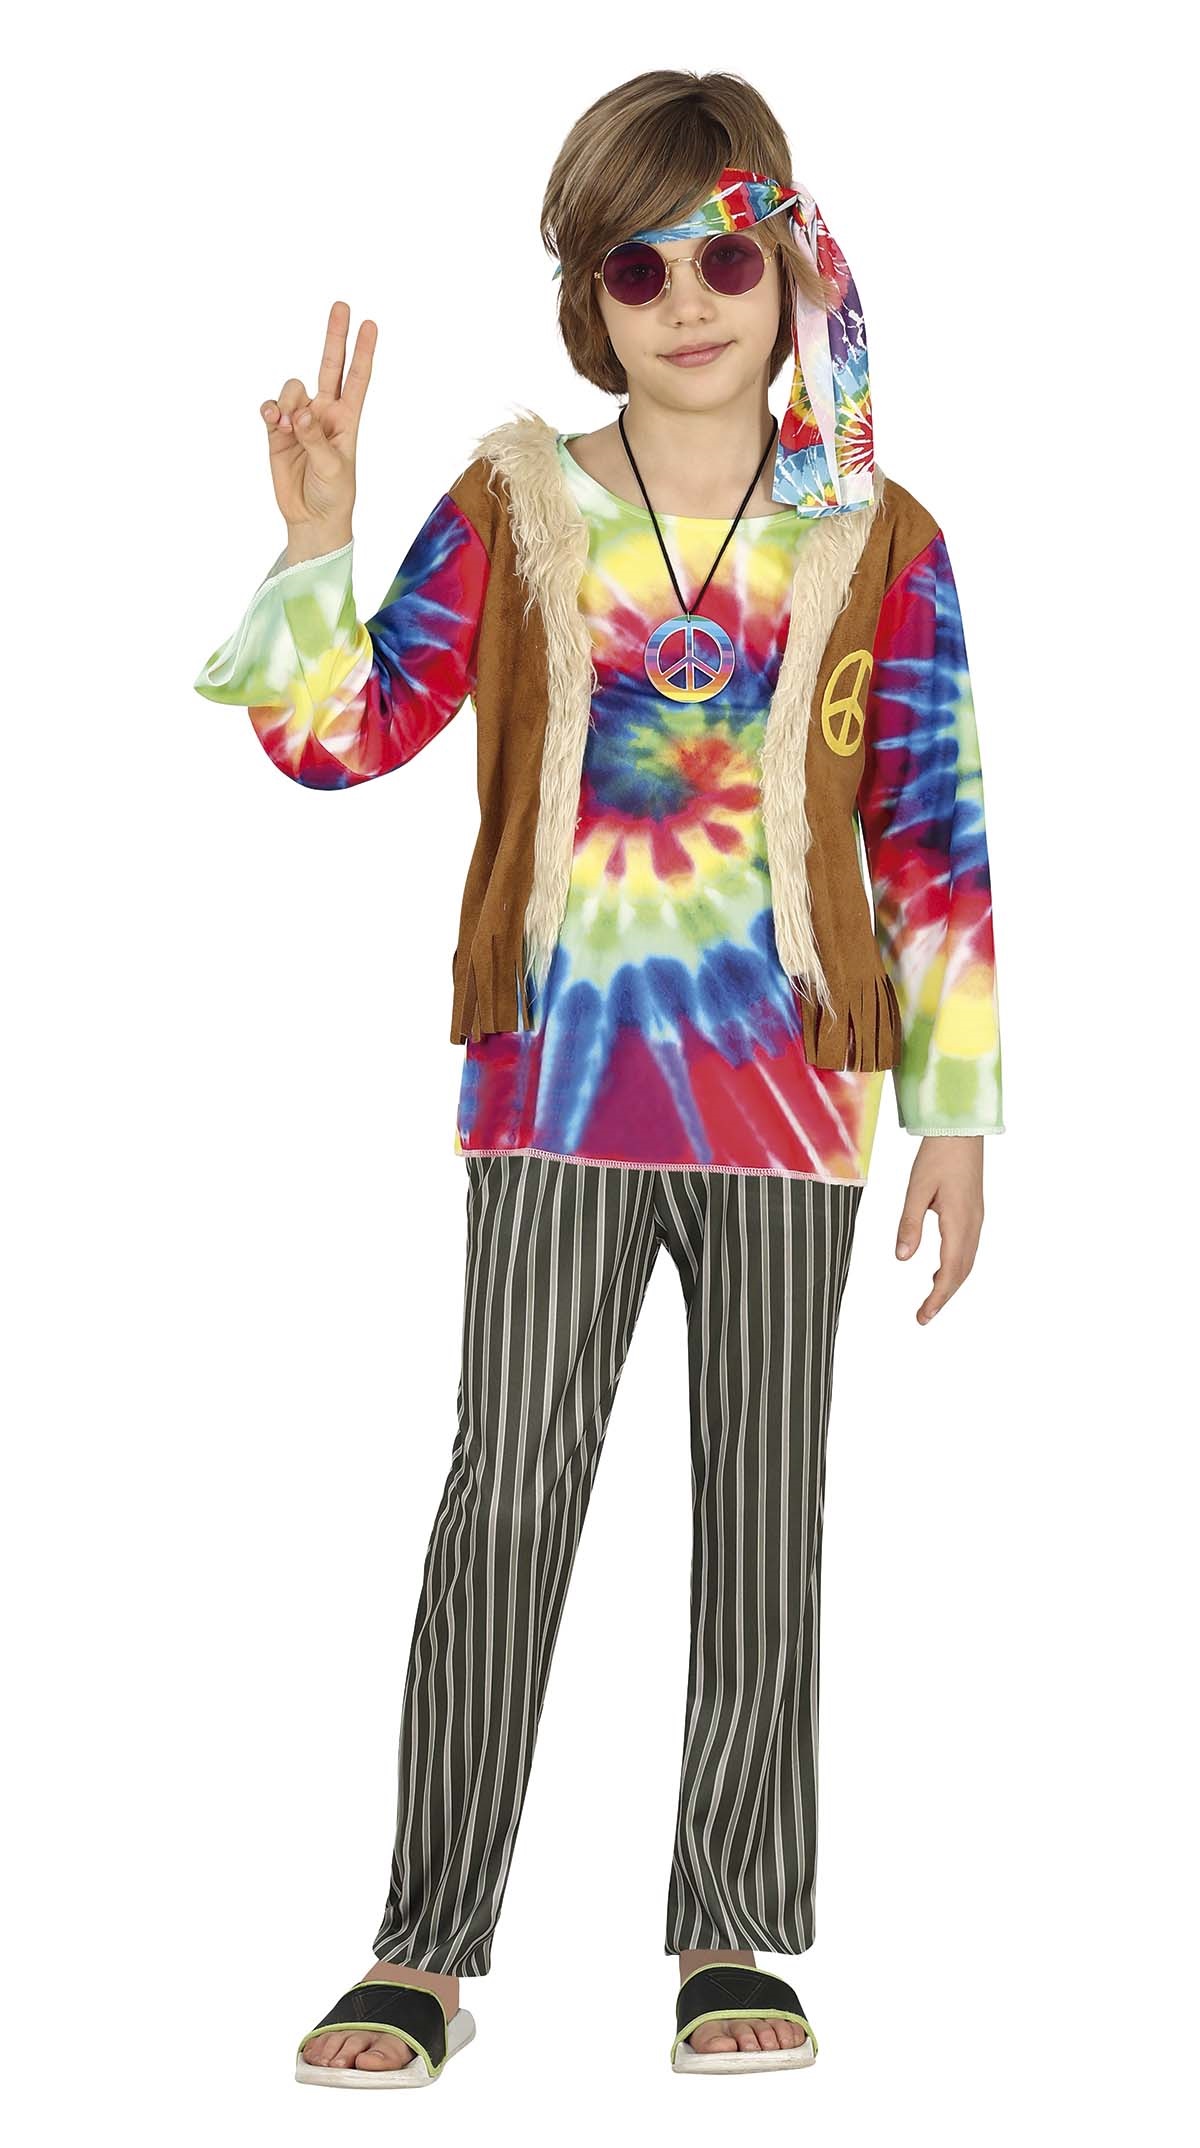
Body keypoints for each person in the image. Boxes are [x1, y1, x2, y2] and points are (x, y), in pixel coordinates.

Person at [193, 69, 1004, 2087]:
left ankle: (731, 1928)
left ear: (790, 267)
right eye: (638, 268)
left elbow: (932, 828)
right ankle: (424, 1944)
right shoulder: (521, 504)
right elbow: (343, 737)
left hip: (795, 1102)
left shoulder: (879, 535)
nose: (689, 299)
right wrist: (317, 541)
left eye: (725, 255)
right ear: (591, 298)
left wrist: (958, 1114)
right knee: (508, 1498)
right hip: (554, 1093)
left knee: (766, 1511)